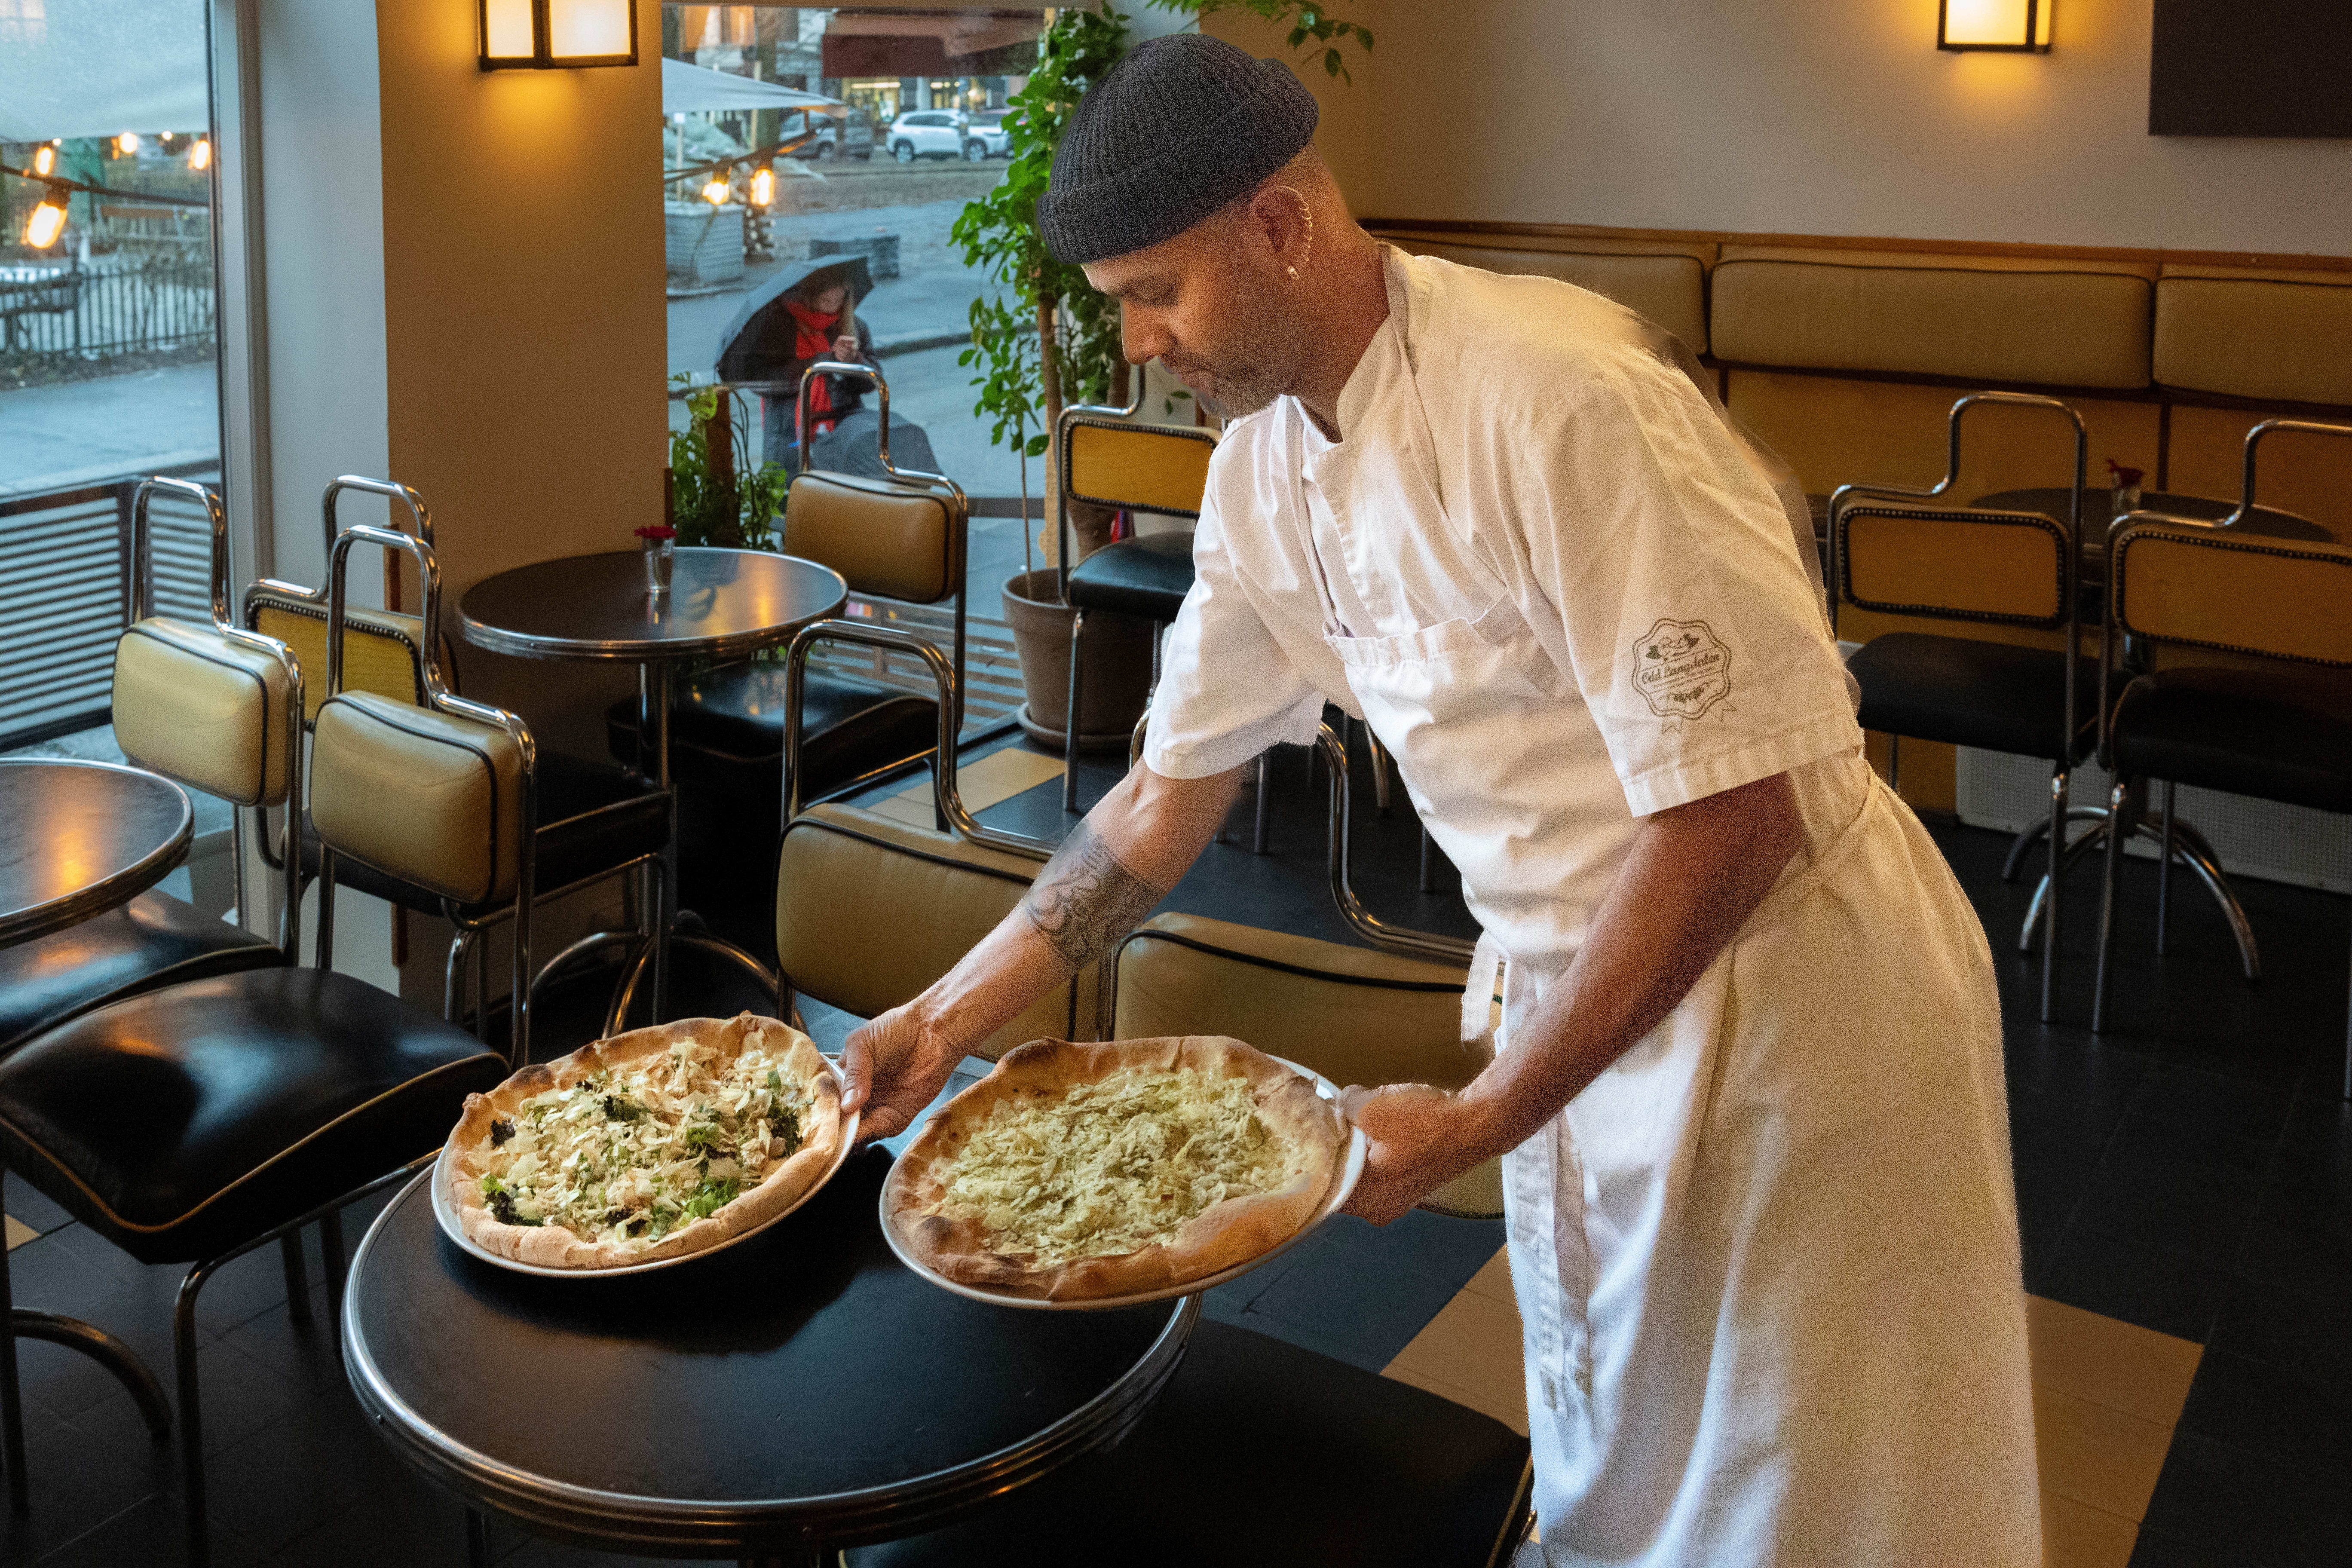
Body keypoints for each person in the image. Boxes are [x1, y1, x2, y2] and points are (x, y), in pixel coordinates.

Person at [841, 34, 2038, 1568]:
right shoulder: (1265, 472)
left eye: (1159, 292)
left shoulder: (1559, 400)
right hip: (1581, 995)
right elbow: (1159, 800)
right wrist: (948, 1017)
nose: (1139, 343)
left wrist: (1482, 1115)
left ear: (1282, 224)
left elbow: (1740, 817)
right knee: (1621, 1466)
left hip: (1788, 1008)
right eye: (1117, 304)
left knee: (1808, 1496)